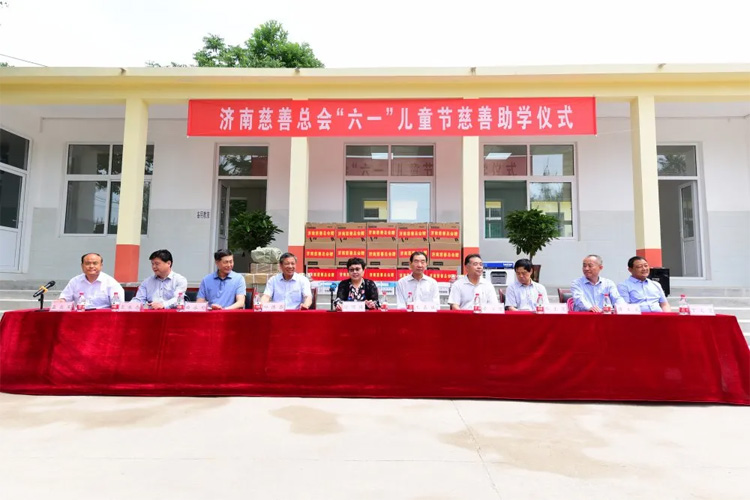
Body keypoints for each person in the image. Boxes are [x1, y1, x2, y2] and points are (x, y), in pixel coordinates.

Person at [58, 252, 125, 309]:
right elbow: (64, 298)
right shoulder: (75, 281)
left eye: (95, 263)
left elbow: (119, 306)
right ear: (82, 266)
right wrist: (62, 301)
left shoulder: (111, 283)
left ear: (101, 266)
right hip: (79, 316)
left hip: (103, 317)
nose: (91, 266)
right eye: (87, 263)